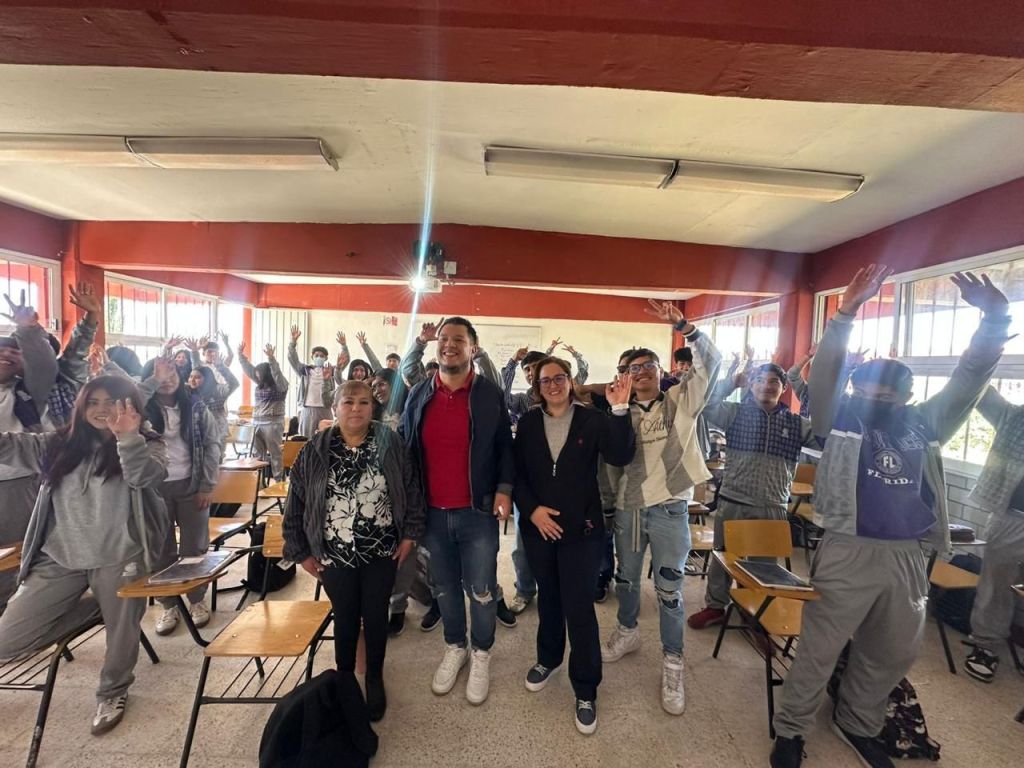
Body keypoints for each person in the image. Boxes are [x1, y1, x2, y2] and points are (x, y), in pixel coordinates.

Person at [770, 266, 1011, 768]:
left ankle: (858, 723)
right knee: (819, 647)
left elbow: (969, 380)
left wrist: (994, 322)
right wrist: (846, 312)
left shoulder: (926, 423)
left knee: (891, 650)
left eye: (886, 394)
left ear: (906, 396)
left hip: (907, 554)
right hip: (848, 548)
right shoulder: (838, 415)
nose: (874, 399)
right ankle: (791, 730)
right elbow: (827, 373)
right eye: (866, 390)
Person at [0, 376, 168, 735]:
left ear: (131, 406)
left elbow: (146, 477)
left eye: (112, 402)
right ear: (81, 406)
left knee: (121, 631)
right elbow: (7, 446)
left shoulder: (148, 443)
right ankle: (98, 608)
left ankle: (113, 691)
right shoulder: (56, 444)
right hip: (60, 555)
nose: (102, 409)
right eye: (93, 402)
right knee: (7, 640)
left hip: (120, 555)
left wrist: (127, 438)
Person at [600, 299, 721, 716]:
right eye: (633, 368)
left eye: (649, 365)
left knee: (670, 590)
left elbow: (712, 363)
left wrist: (685, 326)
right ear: (625, 376)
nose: (642, 372)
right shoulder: (618, 413)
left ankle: (673, 660)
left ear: (660, 369)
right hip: (630, 509)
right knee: (627, 580)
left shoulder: (681, 400)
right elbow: (610, 463)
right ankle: (627, 630)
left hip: (670, 509)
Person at [283, 380, 425, 722]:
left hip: (382, 550)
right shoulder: (315, 449)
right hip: (334, 552)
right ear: (335, 408)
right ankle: (344, 679)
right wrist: (300, 551)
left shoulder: (391, 443)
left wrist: (410, 534)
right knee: (345, 616)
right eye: (348, 402)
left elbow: (411, 488)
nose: (356, 409)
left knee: (375, 616)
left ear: (372, 407)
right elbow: (296, 501)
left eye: (363, 402)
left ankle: (374, 676)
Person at [514, 356, 635, 734]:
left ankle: (585, 687)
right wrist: (532, 511)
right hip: (539, 529)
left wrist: (620, 409)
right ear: (537, 387)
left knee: (579, 608)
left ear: (570, 381)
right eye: (545, 380)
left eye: (559, 378)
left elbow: (620, 454)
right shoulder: (528, 423)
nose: (553, 385)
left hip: (582, 530)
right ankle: (548, 659)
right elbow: (516, 474)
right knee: (549, 598)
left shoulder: (592, 419)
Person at [399, 316, 514, 705]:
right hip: (431, 512)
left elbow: (504, 446)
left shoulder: (488, 393)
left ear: (472, 348)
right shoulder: (420, 393)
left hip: (476, 512)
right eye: (444, 338)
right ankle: (455, 646)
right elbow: (406, 445)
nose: (449, 344)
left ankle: (481, 651)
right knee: (444, 587)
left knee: (481, 589)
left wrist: (504, 490)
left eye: (458, 339)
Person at [687, 363, 815, 629]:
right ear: (751, 385)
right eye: (759, 380)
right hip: (733, 500)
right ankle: (715, 606)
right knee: (723, 557)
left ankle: (754, 612)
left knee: (764, 566)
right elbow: (705, 404)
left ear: (783, 388)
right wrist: (731, 382)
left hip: (773, 505)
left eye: (773, 382)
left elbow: (825, 434)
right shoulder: (734, 413)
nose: (766, 386)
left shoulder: (796, 424)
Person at [140, 357, 221, 636]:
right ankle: (169, 604)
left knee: (194, 547)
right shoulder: (139, 408)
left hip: (191, 485)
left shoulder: (195, 407)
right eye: (160, 375)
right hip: (155, 488)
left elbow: (212, 445)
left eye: (172, 373)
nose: (167, 379)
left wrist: (207, 485)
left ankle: (197, 600)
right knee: (160, 548)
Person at [960, 385, 1024, 682]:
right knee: (996, 585)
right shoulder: (1015, 418)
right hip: (1011, 516)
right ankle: (985, 646)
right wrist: (982, 359)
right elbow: (979, 391)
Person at [238, 341, 289, 480]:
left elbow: (277, 374)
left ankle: (279, 482)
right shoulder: (260, 385)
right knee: (257, 455)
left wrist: (272, 359)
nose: (257, 375)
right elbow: (249, 371)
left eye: (259, 373)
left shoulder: (280, 386)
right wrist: (241, 357)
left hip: (272, 423)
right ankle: (258, 482)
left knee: (275, 454)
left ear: (266, 373)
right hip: (257, 422)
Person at [187, 333, 239, 446]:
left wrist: (220, 364)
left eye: (215, 352)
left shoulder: (220, 366)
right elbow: (195, 366)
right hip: (200, 427)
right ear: (204, 353)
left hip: (218, 399)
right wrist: (195, 351)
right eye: (209, 351)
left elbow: (233, 383)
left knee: (216, 450)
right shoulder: (200, 368)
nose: (212, 354)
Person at [287, 324, 337, 438]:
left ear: (326, 358)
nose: (319, 357)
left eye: (322, 356)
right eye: (316, 355)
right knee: (306, 439)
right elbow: (292, 359)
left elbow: (342, 364)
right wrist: (293, 342)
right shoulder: (305, 370)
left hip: (325, 409)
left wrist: (344, 346)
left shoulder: (330, 371)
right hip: (308, 409)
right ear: (312, 357)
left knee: (327, 438)